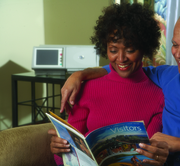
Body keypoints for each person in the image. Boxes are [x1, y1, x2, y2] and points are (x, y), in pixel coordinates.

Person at [60, 7, 180, 166]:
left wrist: (179, 143)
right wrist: (79, 75)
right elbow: (122, 69)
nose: (178, 54)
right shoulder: (167, 75)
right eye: (175, 45)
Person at [48, 3, 167, 166]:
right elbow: (66, 158)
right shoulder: (86, 88)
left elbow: (150, 158)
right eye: (113, 50)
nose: (121, 58)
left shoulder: (158, 96)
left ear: (143, 48)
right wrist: (59, 150)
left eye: (130, 50)